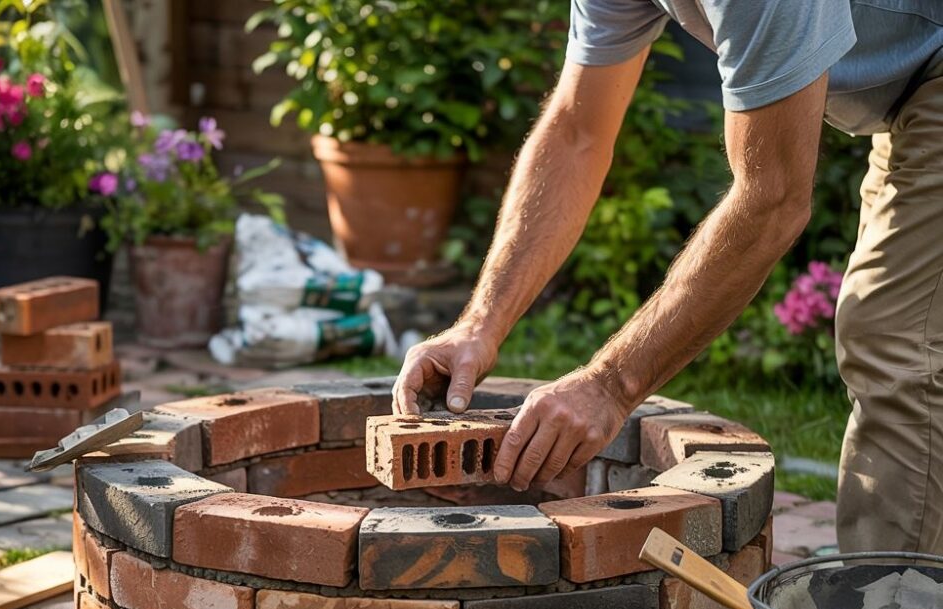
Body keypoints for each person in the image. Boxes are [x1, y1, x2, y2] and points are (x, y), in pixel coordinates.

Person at [393, 1, 943, 554]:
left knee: (897, 341)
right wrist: (480, 325)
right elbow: (577, 132)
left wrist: (609, 386)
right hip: (909, 92)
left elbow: (773, 199)